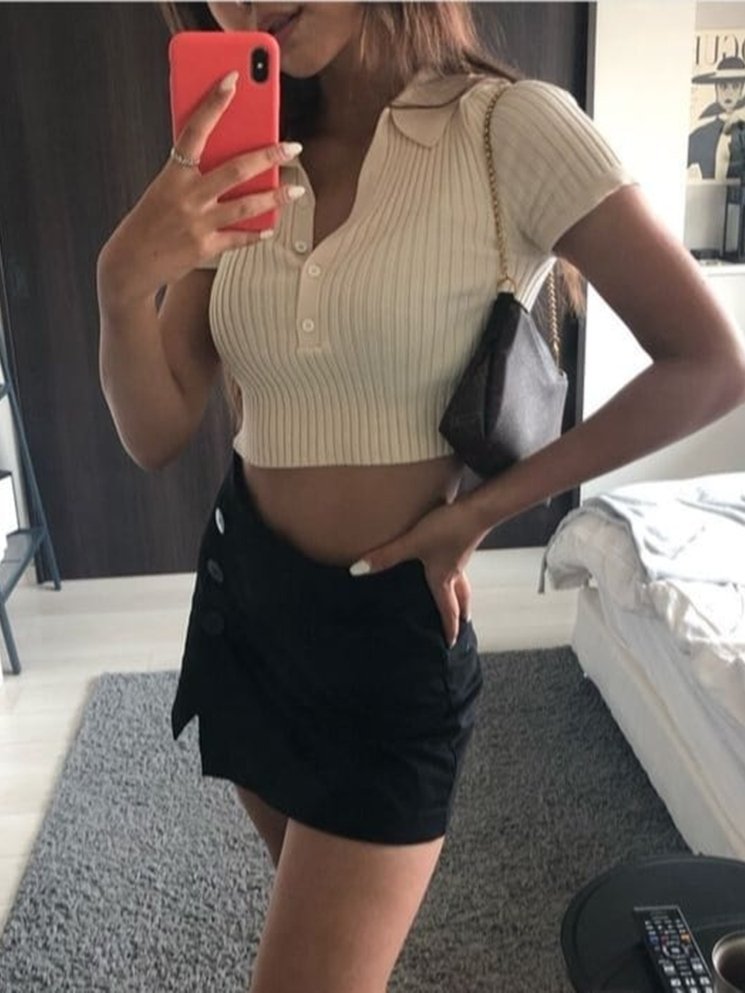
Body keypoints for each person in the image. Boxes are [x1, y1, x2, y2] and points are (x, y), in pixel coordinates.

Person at [95, 3, 745, 991]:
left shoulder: (509, 127)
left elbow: (706, 362)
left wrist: (478, 514)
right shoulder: (245, 157)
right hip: (245, 606)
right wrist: (119, 285)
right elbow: (156, 432)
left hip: (388, 634)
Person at [688, 55, 745, 180]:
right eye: (723, 86)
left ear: (741, 90)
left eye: (735, 86)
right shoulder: (701, 135)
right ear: (716, 88)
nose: (729, 92)